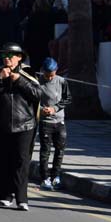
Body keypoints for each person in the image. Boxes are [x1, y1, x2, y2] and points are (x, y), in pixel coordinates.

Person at [0, 43, 42, 210]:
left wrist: (19, 81)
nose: (7, 58)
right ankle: (5, 195)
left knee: (21, 161)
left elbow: (38, 95)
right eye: (5, 55)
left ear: (19, 57)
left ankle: (22, 199)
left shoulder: (28, 74)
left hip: (24, 125)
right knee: (3, 161)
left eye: (11, 55)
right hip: (0, 125)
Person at [37, 57, 70, 191]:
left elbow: (67, 98)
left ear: (56, 71)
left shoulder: (62, 81)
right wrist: (41, 110)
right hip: (45, 122)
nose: (50, 78)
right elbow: (32, 100)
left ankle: (56, 176)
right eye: (47, 75)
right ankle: (45, 178)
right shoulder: (37, 83)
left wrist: (55, 108)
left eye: (52, 75)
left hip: (59, 120)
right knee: (45, 151)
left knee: (60, 149)